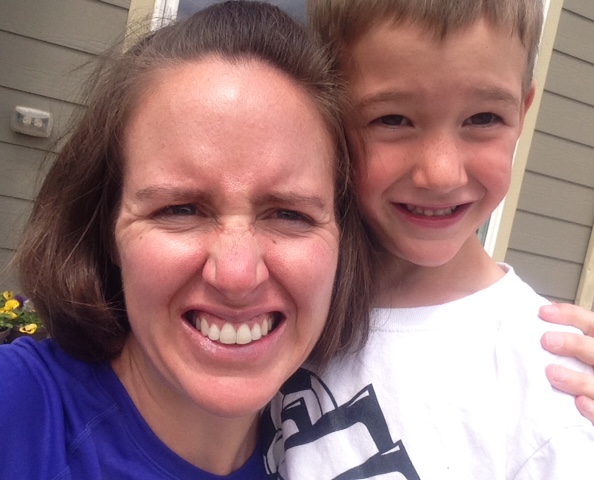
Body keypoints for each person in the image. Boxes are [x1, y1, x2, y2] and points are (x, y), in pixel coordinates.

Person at [0, 2, 375, 478]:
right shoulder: (18, 411)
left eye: (289, 214)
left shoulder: (343, 458)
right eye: (180, 209)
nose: (237, 275)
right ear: (108, 229)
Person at [262, 0, 594, 478]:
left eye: (483, 119)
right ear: (330, 116)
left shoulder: (542, 384)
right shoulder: (277, 291)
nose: (440, 173)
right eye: (393, 120)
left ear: (522, 112)